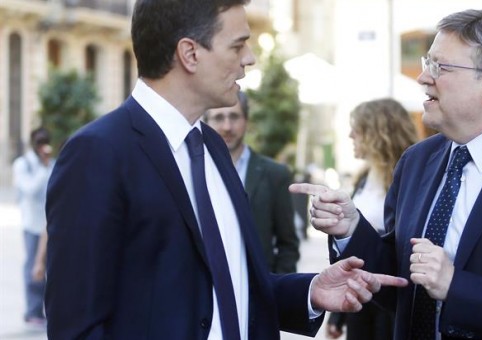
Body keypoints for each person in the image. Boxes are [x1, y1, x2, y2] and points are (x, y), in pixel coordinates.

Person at [44, 1, 407, 339]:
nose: (248, 59)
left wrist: (311, 291)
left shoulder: (212, 147)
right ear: (190, 53)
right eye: (237, 46)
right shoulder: (98, 153)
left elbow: (227, 288)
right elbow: (76, 324)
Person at [291, 8, 482, 340]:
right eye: (428, 63)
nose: (423, 77)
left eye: (440, 67)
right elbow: (398, 283)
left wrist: (456, 286)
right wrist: (350, 229)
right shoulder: (416, 160)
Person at [326, 98, 418, 339]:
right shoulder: (363, 178)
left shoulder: (410, 176)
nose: (350, 135)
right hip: (360, 299)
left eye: (357, 128)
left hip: (392, 302)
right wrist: (339, 315)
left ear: (378, 131)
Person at [206, 90, 300, 274]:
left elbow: (288, 245)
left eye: (234, 116)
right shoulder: (195, 172)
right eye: (218, 117)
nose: (227, 126)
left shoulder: (276, 175)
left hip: (259, 292)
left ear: (246, 121)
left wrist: (278, 293)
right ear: (206, 123)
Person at [12, 126, 53, 326]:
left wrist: (47, 166)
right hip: (32, 223)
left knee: (48, 267)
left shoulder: (50, 164)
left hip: (49, 222)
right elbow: (29, 189)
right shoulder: (23, 165)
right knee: (33, 266)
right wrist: (44, 169)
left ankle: (43, 309)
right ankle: (32, 310)